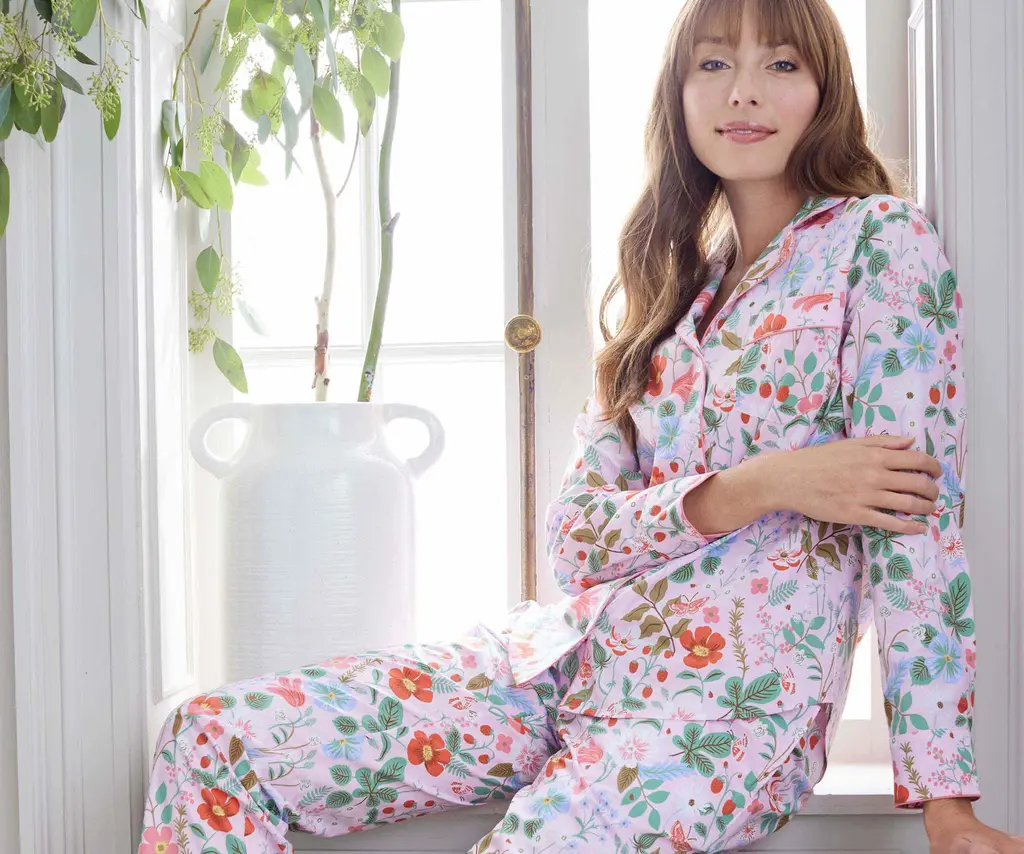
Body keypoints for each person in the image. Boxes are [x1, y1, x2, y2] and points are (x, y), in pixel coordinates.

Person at [137, 1, 1024, 853]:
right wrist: (766, 484)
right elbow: (575, 536)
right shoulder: (673, 284)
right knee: (211, 739)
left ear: (825, 90)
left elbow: (917, 534)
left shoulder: (880, 244)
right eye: (714, 63)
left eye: (781, 64)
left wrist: (946, 803)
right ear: (678, 94)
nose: (743, 91)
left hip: (718, 721)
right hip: (557, 664)